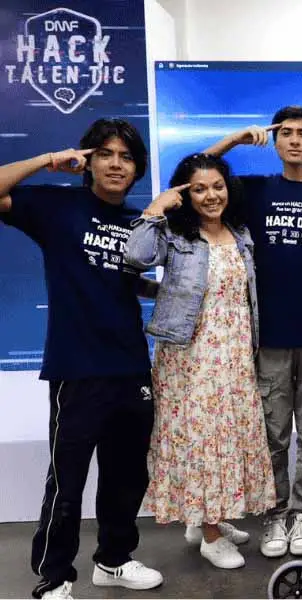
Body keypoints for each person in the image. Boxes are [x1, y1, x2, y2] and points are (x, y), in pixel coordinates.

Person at [0, 119, 164, 599]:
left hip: (132, 365)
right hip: (77, 368)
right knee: (67, 480)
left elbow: (124, 280)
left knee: (127, 475)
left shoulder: (137, 223)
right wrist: (48, 160)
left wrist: (167, 290)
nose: (116, 164)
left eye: (126, 157)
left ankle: (113, 560)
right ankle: (54, 577)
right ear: (88, 160)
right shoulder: (57, 205)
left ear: (136, 169)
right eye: (106, 153)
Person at [203, 106, 302, 558]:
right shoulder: (254, 191)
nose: (294, 140)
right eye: (286, 133)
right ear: (275, 141)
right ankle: (274, 513)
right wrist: (234, 140)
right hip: (268, 333)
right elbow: (197, 174)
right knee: (273, 433)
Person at [124, 153, 276, 569]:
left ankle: (206, 518)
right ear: (184, 194)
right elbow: (134, 258)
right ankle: (210, 536)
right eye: (199, 188)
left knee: (228, 437)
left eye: (217, 186)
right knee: (203, 441)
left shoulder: (239, 232)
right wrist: (155, 209)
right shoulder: (175, 233)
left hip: (235, 352)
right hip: (193, 356)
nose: (211, 195)